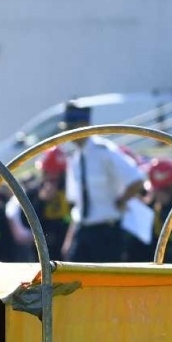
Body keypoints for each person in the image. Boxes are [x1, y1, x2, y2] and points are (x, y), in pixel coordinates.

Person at [59, 102, 144, 262]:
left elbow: (136, 179)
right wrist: (70, 237)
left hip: (107, 232)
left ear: (84, 125)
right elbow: (78, 203)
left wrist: (122, 200)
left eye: (71, 127)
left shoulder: (105, 151)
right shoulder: (75, 158)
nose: (67, 133)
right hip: (82, 231)